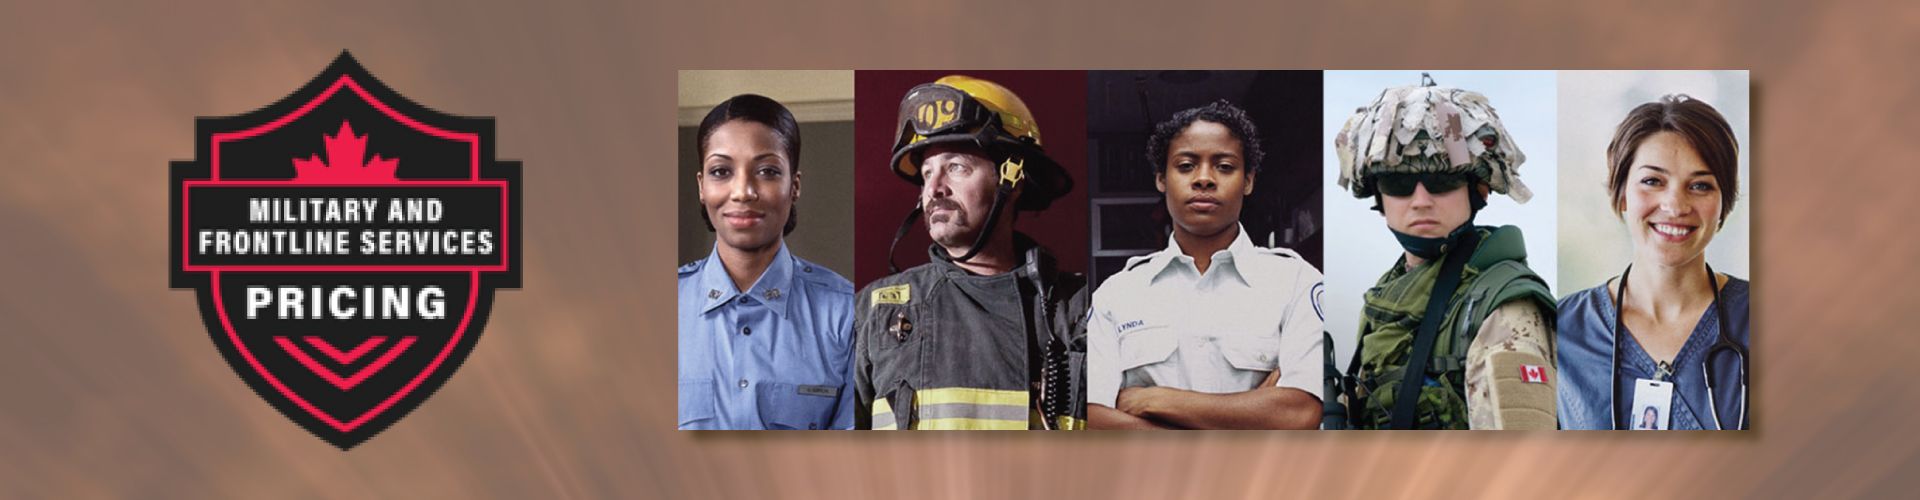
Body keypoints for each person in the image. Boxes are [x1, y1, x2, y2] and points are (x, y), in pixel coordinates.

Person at [853, 75, 1088, 430]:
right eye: (926, 174)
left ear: (1012, 178)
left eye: (956, 168)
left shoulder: (1079, 308)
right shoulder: (875, 311)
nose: (934, 189)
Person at [1331, 77, 1559, 430]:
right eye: (1399, 184)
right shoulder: (1387, 294)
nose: (1421, 201)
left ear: (1479, 190)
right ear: (1379, 197)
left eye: (1443, 182)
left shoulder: (1504, 304)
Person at [1086, 100, 1323, 430]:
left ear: (1248, 181)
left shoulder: (1295, 282)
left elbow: (1299, 413)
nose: (1204, 179)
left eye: (1224, 167)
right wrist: (1245, 421)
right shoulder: (1117, 294)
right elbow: (1094, 418)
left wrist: (1155, 400)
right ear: (1161, 179)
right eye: (1186, 166)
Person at [1556, 95, 1750, 430]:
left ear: (1723, 205)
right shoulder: (1559, 331)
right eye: (1652, 181)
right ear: (1622, 194)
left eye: (1700, 185)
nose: (1675, 206)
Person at [677, 94, 856, 430]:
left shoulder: (847, 314)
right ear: (702, 187)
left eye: (767, 171)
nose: (743, 191)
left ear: (794, 186)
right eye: (721, 171)